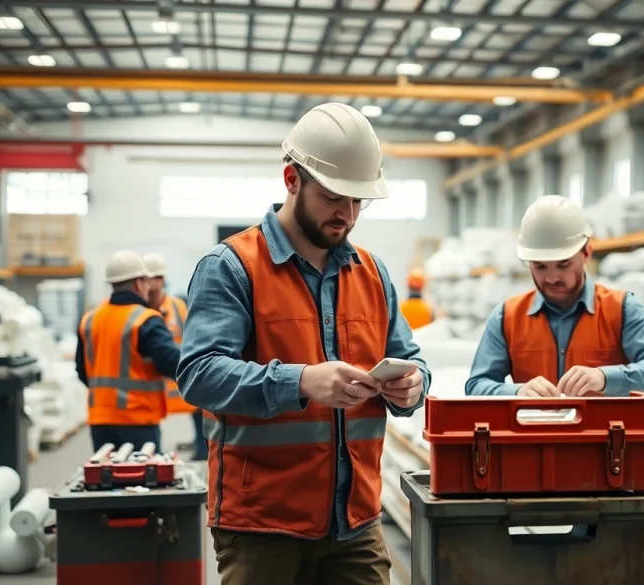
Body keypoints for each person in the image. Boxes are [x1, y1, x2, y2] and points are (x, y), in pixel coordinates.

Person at [178, 102, 431, 585]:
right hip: (261, 527)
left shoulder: (374, 274)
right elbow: (199, 374)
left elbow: (412, 360)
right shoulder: (232, 267)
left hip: (355, 523)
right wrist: (301, 381)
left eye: (360, 201)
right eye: (335, 196)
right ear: (292, 179)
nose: (348, 214)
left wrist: (413, 386)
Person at [465, 195, 644, 398]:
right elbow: (476, 385)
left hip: (606, 438)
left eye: (563, 265)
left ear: (586, 253)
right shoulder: (507, 317)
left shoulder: (622, 309)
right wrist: (516, 392)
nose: (551, 278)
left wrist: (605, 377)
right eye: (540, 266)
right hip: (532, 437)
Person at [77, 250, 181, 453]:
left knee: (106, 479)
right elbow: (171, 363)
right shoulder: (146, 319)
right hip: (138, 421)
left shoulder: (90, 319)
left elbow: (82, 370)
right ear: (138, 283)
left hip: (100, 420)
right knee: (140, 481)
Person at [143, 253, 206, 461]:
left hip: (178, 379)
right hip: (151, 385)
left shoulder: (177, 307)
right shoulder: (139, 312)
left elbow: (193, 337)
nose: (147, 284)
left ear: (160, 280)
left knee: (200, 409)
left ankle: (201, 449)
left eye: (151, 278)